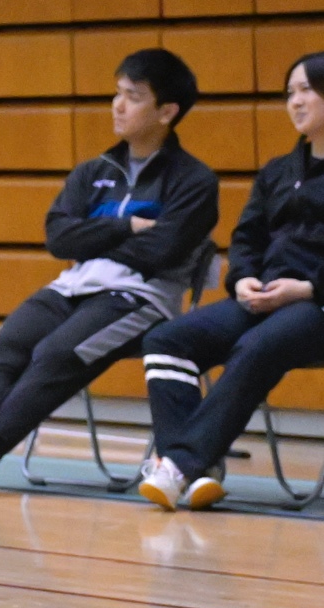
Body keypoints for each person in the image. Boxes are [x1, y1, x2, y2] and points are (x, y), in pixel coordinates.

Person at [0, 50, 218, 490]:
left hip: (140, 299)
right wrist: (127, 226)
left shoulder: (194, 180)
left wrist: (94, 235)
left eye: (133, 97)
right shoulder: (94, 172)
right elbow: (59, 238)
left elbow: (163, 250)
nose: (118, 105)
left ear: (166, 111)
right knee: (10, 341)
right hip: (73, 286)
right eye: (117, 93)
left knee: (57, 354)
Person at [136, 54, 324, 511]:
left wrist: (307, 289)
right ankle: (201, 470)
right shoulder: (278, 171)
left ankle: (178, 465)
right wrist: (243, 279)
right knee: (167, 340)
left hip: (315, 304)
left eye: (306, 89)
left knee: (256, 345)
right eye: (289, 92)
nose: (295, 101)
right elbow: (247, 237)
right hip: (264, 297)